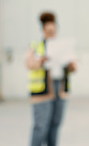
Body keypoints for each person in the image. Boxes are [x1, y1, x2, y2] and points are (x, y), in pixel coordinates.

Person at [26, 12, 77, 146]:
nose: (51, 34)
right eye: (48, 31)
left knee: (55, 125)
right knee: (41, 126)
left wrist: (71, 65)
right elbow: (29, 63)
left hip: (59, 90)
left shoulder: (64, 47)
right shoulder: (36, 46)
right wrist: (41, 61)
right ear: (43, 30)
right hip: (42, 92)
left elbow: (75, 67)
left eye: (53, 31)